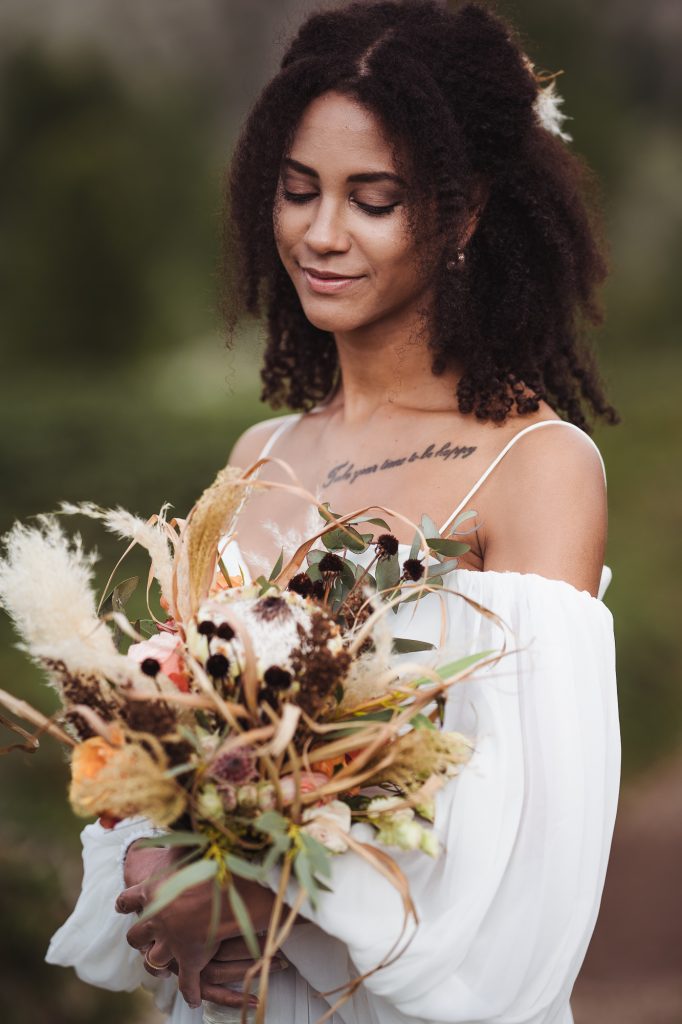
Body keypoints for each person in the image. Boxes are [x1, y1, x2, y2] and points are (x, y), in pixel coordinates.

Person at [45, 2, 622, 1022]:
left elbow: (535, 841)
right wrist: (151, 859)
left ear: (467, 212)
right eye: (299, 190)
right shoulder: (258, 457)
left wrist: (248, 899)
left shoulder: (538, 468)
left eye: (373, 199)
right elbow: (165, 737)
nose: (321, 233)